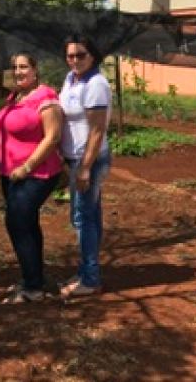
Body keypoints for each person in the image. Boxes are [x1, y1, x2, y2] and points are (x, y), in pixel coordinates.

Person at [0, 52, 63, 304]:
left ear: (35, 69)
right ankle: (34, 277)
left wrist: (27, 166)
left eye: (23, 67)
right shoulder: (15, 97)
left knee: (17, 222)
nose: (18, 72)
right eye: (14, 67)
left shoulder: (46, 97)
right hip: (11, 174)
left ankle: (33, 286)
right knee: (28, 223)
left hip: (36, 173)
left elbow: (52, 137)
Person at [59, 34, 112, 298]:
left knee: (83, 218)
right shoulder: (71, 79)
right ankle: (86, 271)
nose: (75, 60)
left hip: (89, 159)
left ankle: (90, 279)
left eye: (80, 55)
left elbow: (97, 130)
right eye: (70, 56)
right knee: (89, 215)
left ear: (92, 56)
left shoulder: (96, 84)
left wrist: (85, 168)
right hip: (76, 158)